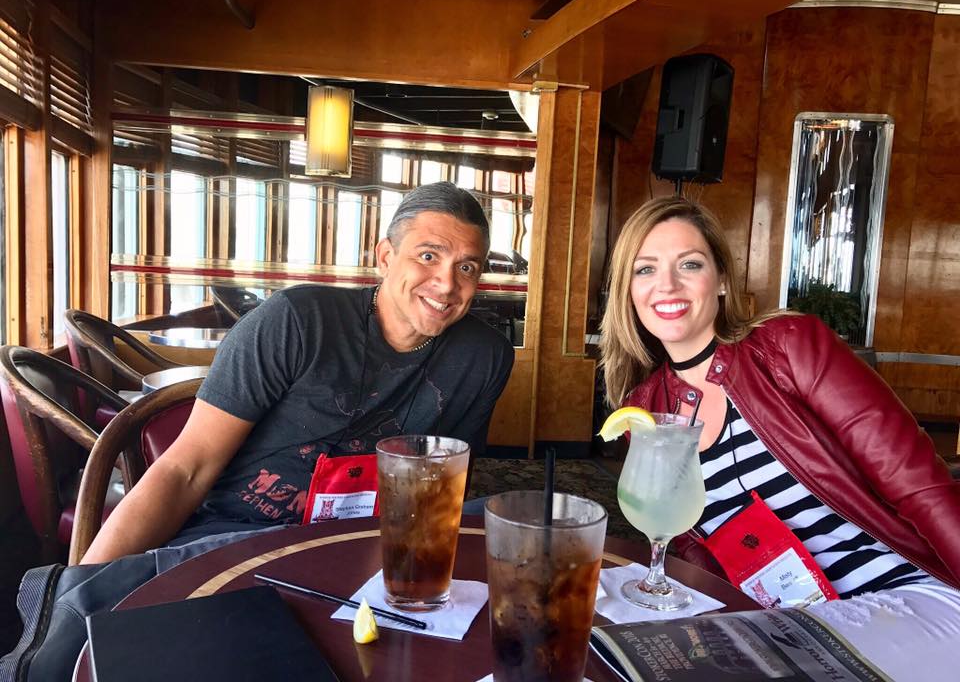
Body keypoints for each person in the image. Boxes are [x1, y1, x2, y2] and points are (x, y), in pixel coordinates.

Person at [599, 196, 960, 680]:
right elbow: (692, 549)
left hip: (903, 594)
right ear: (628, 290)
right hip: (784, 625)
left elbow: (917, 483)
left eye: (689, 264)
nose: (667, 284)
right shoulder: (645, 410)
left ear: (721, 279)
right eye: (645, 269)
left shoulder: (787, 346)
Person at [81, 181, 515, 563]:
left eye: (466, 267)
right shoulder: (297, 320)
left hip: (374, 550)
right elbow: (186, 469)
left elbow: (446, 488)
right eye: (428, 256)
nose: (446, 284)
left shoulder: (484, 357)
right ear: (386, 256)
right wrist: (82, 585)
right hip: (240, 540)